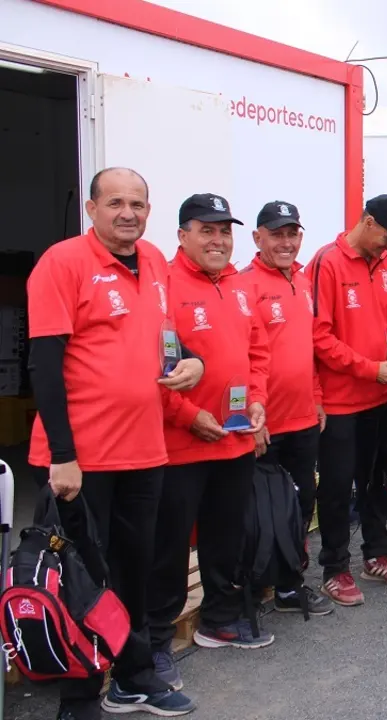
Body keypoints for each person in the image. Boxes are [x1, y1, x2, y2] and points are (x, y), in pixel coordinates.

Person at [27, 167, 201, 718]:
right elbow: (45, 365)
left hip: (144, 450)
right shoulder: (63, 263)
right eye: (116, 203)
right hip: (82, 459)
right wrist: (62, 455)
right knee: (80, 577)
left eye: (138, 203)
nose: (128, 213)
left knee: (134, 569)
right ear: (91, 208)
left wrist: (192, 362)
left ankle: (133, 675)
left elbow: (167, 336)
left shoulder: (152, 261)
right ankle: (79, 698)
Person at [149, 195, 270, 679]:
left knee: (226, 535)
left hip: (236, 439)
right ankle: (156, 639)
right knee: (170, 545)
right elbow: (154, 369)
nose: (218, 240)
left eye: (225, 231)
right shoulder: (163, 287)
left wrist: (258, 400)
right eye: (207, 230)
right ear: (182, 236)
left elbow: (257, 351)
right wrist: (188, 415)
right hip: (182, 444)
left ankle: (218, 620)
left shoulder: (239, 287)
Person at [308, 194, 387, 607]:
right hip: (339, 403)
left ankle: (376, 553)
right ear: (368, 222)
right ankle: (335, 567)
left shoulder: (386, 265)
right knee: (336, 488)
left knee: (377, 482)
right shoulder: (327, 262)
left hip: (379, 398)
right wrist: (369, 368)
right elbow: (319, 337)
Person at [240, 201, 332, 617]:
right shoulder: (245, 285)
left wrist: (316, 397)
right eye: (276, 234)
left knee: (300, 503)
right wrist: (249, 418)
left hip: (302, 419)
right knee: (261, 510)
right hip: (264, 423)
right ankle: (257, 584)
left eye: (292, 233)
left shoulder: (304, 281)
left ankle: (290, 585)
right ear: (257, 238)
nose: (286, 242)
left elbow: (309, 349)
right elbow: (238, 359)